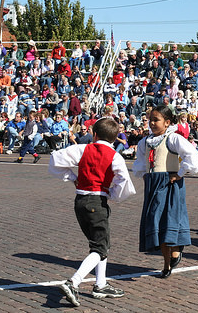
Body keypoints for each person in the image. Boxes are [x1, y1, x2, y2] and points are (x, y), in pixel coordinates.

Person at [49, 118, 135, 307]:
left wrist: (73, 177)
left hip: (80, 200)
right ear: (114, 138)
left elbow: (55, 159)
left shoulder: (82, 149)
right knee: (100, 246)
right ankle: (74, 282)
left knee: (99, 243)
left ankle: (100, 284)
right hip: (97, 200)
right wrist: (112, 194)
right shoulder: (114, 156)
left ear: (94, 134)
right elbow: (125, 184)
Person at [132, 105, 198, 278]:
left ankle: (173, 255)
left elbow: (192, 156)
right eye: (151, 120)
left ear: (167, 122)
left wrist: (179, 174)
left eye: (157, 120)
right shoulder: (145, 142)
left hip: (169, 183)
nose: (152, 123)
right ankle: (166, 262)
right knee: (156, 219)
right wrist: (145, 176)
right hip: (153, 183)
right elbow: (141, 162)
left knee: (169, 218)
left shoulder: (173, 139)